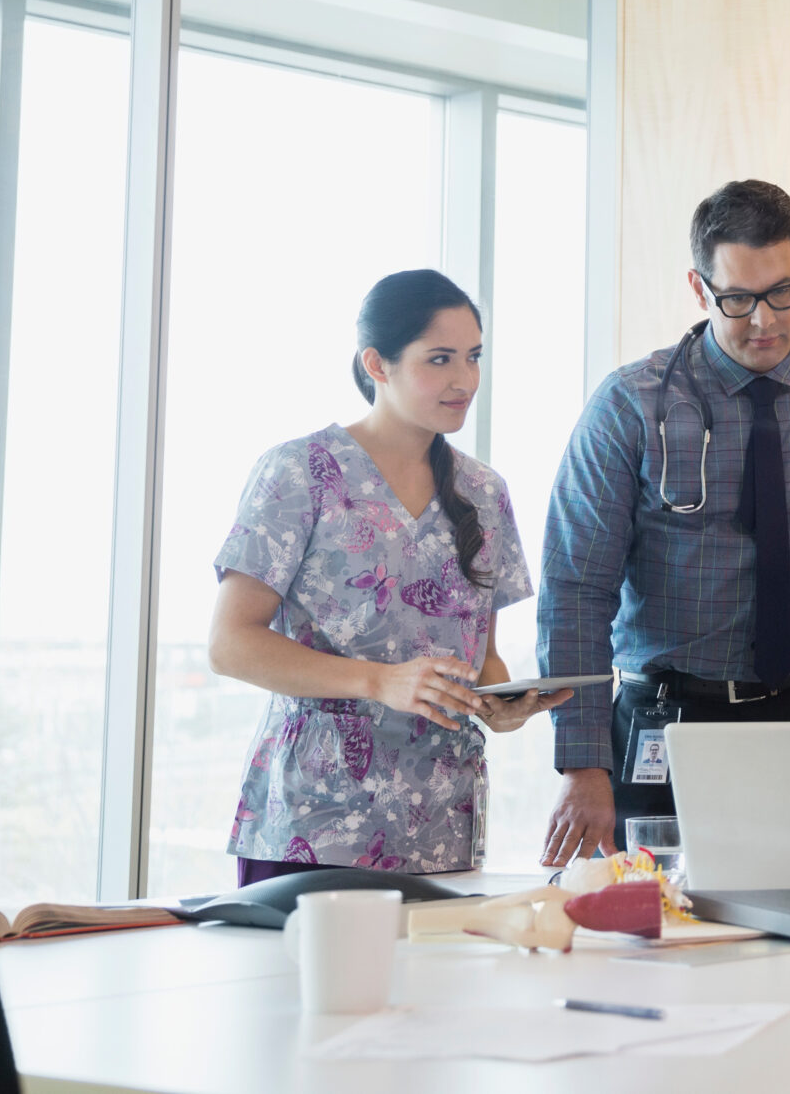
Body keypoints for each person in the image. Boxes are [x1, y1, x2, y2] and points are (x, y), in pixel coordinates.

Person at [535, 179, 790, 864]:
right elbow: (576, 591)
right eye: (737, 299)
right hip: (667, 724)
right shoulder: (631, 408)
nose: (763, 320)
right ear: (698, 286)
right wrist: (581, 762)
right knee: (657, 948)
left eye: (782, 292)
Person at [208, 269, 568, 884]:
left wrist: (500, 705)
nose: (464, 380)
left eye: (474, 357)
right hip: (313, 826)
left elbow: (481, 659)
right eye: (440, 359)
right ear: (377, 364)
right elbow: (230, 644)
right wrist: (378, 681)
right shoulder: (300, 472)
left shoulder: (485, 493)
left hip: (441, 826)